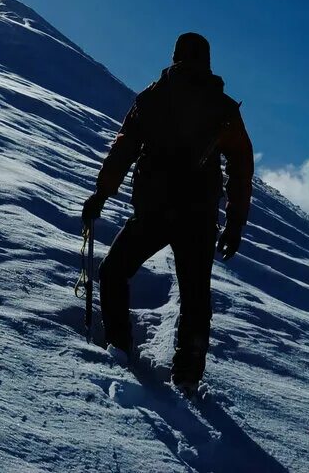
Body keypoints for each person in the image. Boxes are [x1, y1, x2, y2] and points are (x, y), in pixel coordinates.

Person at [82, 32, 254, 390]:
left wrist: (101, 195)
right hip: (199, 217)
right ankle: (187, 375)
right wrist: (235, 223)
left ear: (175, 56)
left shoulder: (153, 98)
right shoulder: (222, 109)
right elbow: (241, 167)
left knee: (114, 272)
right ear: (207, 61)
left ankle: (119, 346)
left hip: (154, 211)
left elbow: (124, 149)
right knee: (195, 295)